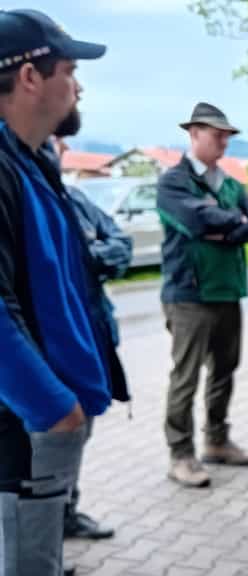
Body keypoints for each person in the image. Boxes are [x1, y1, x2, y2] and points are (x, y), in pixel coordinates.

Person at [0, 9, 117, 575]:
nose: (78, 87)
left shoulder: (28, 162)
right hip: (27, 425)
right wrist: (56, 410)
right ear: (29, 77)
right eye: (69, 71)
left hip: (40, 420)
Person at [157, 102, 248, 488]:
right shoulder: (173, 182)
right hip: (189, 294)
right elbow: (194, 220)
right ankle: (180, 454)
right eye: (216, 134)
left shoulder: (231, 184)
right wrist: (232, 220)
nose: (223, 142)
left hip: (227, 291)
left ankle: (216, 441)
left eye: (227, 136)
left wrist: (226, 227)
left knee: (224, 370)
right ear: (194, 134)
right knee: (185, 377)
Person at [50, 132, 129, 542]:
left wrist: (86, 257)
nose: (62, 149)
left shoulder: (75, 198)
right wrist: (85, 256)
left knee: (82, 429)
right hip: (49, 344)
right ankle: (42, 529)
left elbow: (120, 242)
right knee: (44, 437)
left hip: (91, 334)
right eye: (55, 141)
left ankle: (66, 511)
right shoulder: (22, 196)